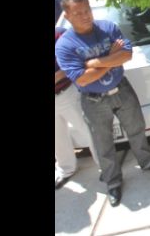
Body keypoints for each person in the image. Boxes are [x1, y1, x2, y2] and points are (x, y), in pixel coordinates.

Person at [55, 0, 150, 208]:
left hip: (122, 89)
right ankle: (113, 182)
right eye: (78, 13)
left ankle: (147, 162)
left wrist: (93, 63)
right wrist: (110, 59)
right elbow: (81, 77)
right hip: (93, 99)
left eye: (87, 10)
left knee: (137, 128)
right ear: (67, 15)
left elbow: (126, 55)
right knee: (103, 143)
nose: (84, 16)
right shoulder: (64, 46)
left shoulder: (107, 28)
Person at [55, 26, 98, 190]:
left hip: (67, 92)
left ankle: (106, 166)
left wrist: (57, 76)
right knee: (57, 138)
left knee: (88, 128)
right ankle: (66, 169)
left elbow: (77, 59)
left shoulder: (60, 34)